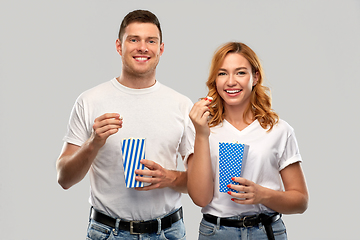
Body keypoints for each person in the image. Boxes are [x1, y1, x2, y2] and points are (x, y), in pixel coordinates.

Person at [56, 10, 194, 240]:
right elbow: (64, 178)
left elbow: (202, 185)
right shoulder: (90, 100)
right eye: (134, 40)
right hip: (108, 232)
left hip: (168, 232)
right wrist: (93, 143)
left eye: (151, 41)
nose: (143, 47)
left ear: (160, 49)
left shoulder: (181, 104)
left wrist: (169, 178)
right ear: (119, 47)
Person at [187, 42, 308, 240]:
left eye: (240, 73)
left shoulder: (279, 130)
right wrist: (201, 134)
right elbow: (200, 198)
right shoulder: (202, 126)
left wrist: (262, 195)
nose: (231, 81)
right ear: (215, 80)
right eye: (222, 73)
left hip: (266, 231)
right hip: (216, 233)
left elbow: (301, 201)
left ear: (255, 77)